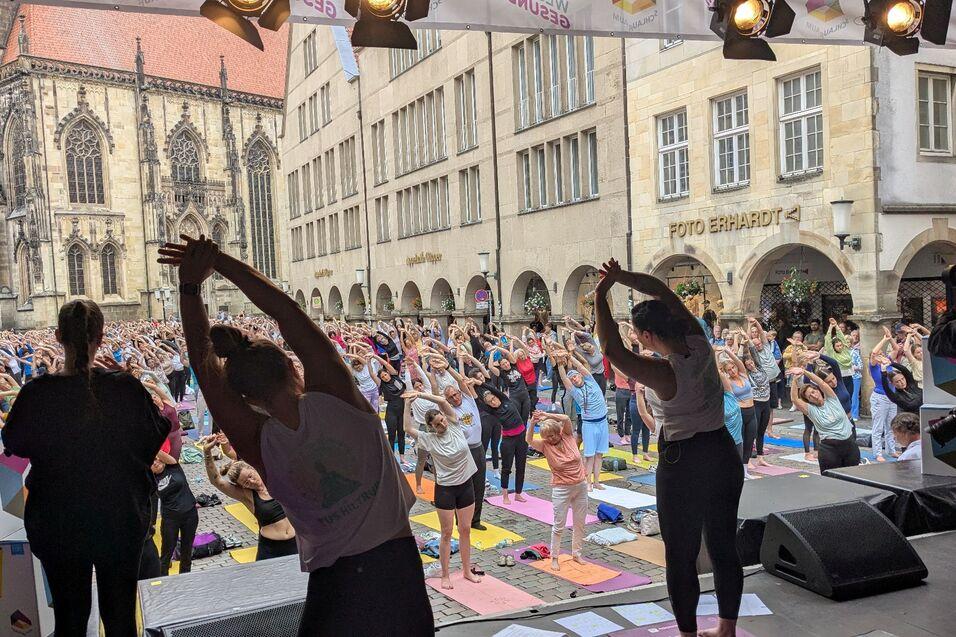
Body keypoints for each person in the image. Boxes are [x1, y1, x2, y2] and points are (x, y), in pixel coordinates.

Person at [158, 236, 432, 636]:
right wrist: (218, 262)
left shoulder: (258, 443)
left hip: (333, 585)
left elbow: (202, 360)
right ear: (291, 363)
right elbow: (286, 311)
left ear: (247, 398)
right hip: (396, 569)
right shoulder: (340, 396)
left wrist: (188, 287)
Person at [1, 300, 170, 636]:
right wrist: (130, 380)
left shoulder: (37, 393)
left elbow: (15, 443)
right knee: (121, 616)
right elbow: (155, 433)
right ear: (101, 337)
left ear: (59, 335)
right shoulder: (123, 387)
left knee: (70, 617)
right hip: (119, 517)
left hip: (58, 521)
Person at [594, 258, 743, 637]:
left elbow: (610, 349)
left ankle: (688, 634)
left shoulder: (665, 372)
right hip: (723, 451)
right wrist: (623, 277)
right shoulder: (698, 340)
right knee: (724, 544)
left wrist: (601, 293)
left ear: (645, 336)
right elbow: (661, 290)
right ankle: (726, 627)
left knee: (680, 554)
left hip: (684, 463)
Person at [402, 392, 481, 590]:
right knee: (446, 533)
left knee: (465, 529)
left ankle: (466, 571)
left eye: (442, 420)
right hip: (445, 489)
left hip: (465, 486)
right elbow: (407, 428)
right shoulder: (428, 439)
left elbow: (444, 402)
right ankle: (445, 574)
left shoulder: (454, 425)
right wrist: (407, 403)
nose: (442, 424)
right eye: (437, 424)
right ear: (431, 427)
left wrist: (421, 394)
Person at [201, 437, 298, 561]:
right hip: (271, 550)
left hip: (296, 543)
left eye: (251, 476)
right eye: (246, 483)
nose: (252, 482)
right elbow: (217, 481)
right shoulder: (248, 496)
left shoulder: (274, 479)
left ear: (253, 469)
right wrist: (207, 452)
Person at [528, 410, 588, 571]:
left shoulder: (568, 436)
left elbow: (566, 418)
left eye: (553, 435)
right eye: (548, 436)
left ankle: (577, 553)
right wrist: (533, 422)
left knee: (580, 522)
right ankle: (555, 557)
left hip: (580, 485)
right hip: (561, 488)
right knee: (559, 525)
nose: (551, 439)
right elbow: (528, 439)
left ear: (558, 432)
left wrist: (547, 415)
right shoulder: (544, 446)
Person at [788, 366, 861, 473]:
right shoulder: (811, 410)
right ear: (808, 400)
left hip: (849, 444)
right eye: (810, 396)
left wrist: (804, 372)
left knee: (853, 476)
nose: (814, 395)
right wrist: (795, 379)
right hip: (830, 449)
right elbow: (794, 398)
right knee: (831, 480)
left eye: (814, 391)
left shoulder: (832, 399)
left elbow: (822, 383)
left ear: (818, 390)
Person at [555, 352, 609, 491]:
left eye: (575, 376)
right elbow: (564, 379)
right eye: (572, 379)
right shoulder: (574, 391)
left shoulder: (590, 380)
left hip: (602, 422)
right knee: (589, 455)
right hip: (589, 424)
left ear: (580, 375)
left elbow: (580, 365)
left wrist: (569, 356)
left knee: (599, 454)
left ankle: (597, 481)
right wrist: (560, 365)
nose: (574, 379)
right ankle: (588, 482)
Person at [153, 445, 198, 575]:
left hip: (190, 515)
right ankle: (163, 580)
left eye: (156, 459)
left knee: (186, 550)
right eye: (151, 463)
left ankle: (185, 577)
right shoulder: (152, 479)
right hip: (170, 519)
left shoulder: (173, 467)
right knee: (167, 553)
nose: (155, 463)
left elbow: (159, 452)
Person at [870, 329, 900, 462]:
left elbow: (896, 349)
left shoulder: (888, 361)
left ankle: (891, 449)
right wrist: (883, 340)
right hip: (880, 397)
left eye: (883, 354)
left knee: (891, 424)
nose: (881, 355)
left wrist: (890, 338)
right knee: (878, 425)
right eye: (879, 355)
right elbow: (874, 352)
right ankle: (877, 452)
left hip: (891, 396)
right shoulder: (873, 366)